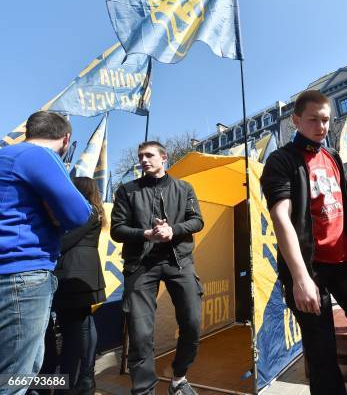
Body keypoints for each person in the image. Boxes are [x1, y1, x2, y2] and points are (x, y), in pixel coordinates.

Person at [261, 90, 347, 395]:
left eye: (326, 119)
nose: (321, 126)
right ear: (295, 121)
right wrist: (301, 279)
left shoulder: (332, 156)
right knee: (321, 353)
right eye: (313, 119)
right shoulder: (281, 161)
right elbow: (281, 218)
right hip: (310, 268)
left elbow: (343, 195)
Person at [0, 111, 91, 393]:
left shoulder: (7, 156)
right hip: (22, 274)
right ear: (66, 139)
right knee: (16, 377)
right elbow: (79, 213)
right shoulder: (39, 156)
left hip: (10, 274)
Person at [111, 141, 204, 395]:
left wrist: (173, 229)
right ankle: (143, 390)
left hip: (179, 262)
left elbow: (197, 220)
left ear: (164, 158)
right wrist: (146, 234)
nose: (143, 160)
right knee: (140, 334)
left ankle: (179, 379)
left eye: (149, 155)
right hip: (140, 265)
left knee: (193, 323)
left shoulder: (184, 188)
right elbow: (117, 229)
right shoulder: (126, 191)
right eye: (140, 156)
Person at [53, 177, 107, 394]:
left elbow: (64, 241)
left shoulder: (85, 210)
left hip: (75, 275)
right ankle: (84, 378)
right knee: (83, 326)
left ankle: (73, 383)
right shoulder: (92, 210)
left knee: (75, 332)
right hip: (79, 274)